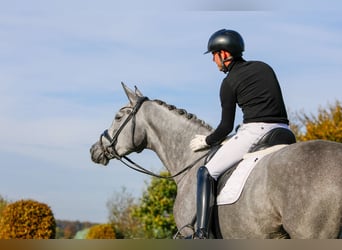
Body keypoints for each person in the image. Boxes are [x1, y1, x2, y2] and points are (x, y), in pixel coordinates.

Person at [189, 29, 291, 239]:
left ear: (224, 54)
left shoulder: (229, 83)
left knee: (206, 172)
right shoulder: (264, 67)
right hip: (284, 131)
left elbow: (225, 127)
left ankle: (201, 233)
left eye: (214, 55)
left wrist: (207, 141)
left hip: (256, 131)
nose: (213, 61)